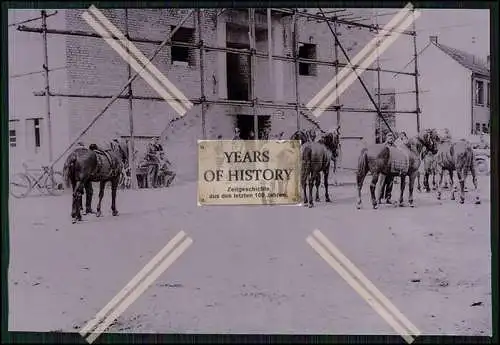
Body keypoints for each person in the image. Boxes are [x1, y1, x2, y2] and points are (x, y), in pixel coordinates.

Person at [379, 132, 396, 204]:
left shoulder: (395, 146)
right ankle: (379, 198)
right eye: (389, 137)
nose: (391, 139)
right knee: (381, 183)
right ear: (386, 138)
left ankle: (388, 198)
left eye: (392, 137)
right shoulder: (383, 146)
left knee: (390, 183)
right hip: (384, 168)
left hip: (392, 168)